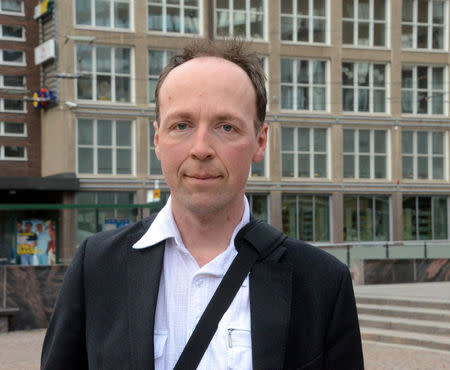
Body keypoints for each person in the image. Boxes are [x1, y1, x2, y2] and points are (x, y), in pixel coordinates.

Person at [41, 39, 363, 369]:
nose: (201, 148)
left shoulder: (322, 282)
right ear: (157, 141)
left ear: (260, 141)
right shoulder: (96, 267)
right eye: (181, 125)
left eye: (226, 126)